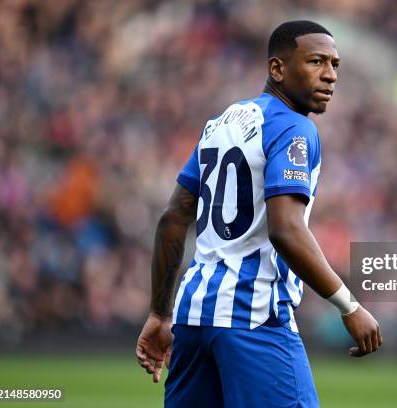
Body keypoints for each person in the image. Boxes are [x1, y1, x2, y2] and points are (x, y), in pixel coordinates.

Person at [135, 20, 382, 407]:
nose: (330, 75)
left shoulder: (222, 123)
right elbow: (286, 230)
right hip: (253, 317)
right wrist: (349, 307)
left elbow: (173, 217)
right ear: (277, 69)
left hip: (193, 318)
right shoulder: (294, 128)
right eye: (316, 62)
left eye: (335, 64)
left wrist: (159, 313)